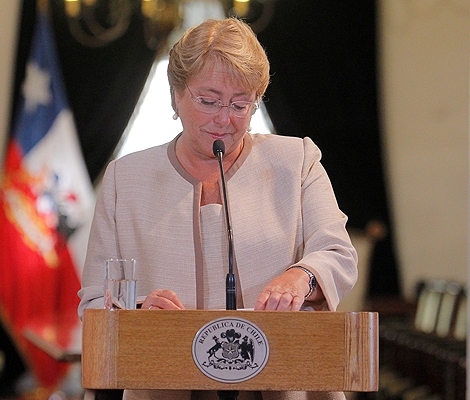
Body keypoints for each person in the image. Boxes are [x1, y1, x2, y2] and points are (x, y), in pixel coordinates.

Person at [79, 18, 358, 400]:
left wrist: (303, 277)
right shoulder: (124, 179)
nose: (224, 119)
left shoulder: (297, 160)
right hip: (162, 385)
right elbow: (97, 299)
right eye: (208, 101)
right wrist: (141, 310)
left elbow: (338, 254)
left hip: (286, 383)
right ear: (176, 94)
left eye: (241, 104)